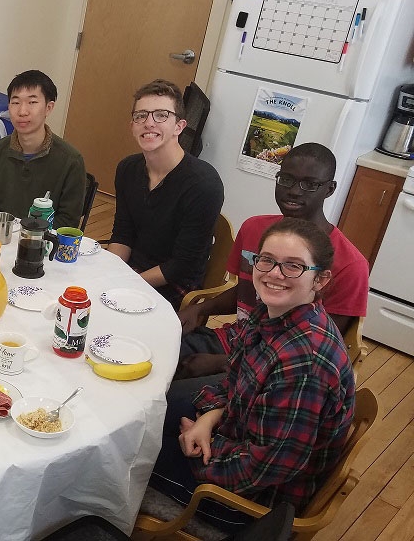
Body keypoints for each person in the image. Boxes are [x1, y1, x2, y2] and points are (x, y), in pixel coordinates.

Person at [150, 218, 355, 532]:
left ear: (320, 280)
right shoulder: (272, 315)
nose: (274, 273)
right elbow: (234, 380)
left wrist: (201, 448)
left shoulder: (305, 365)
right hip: (237, 436)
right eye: (267, 260)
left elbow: (265, 466)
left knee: (126, 452)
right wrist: (207, 420)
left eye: (294, 266)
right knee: (146, 415)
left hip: (250, 504)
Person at [175, 143, 369, 380]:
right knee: (154, 352)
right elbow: (246, 293)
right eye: (285, 179)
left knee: (173, 395)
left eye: (309, 184)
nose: (294, 191)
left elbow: (315, 349)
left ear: (329, 189)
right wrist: (201, 308)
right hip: (237, 338)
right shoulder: (254, 228)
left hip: (281, 369)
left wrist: (223, 363)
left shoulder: (350, 265)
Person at [108, 79, 224, 309]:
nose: (149, 123)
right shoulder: (127, 169)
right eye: (141, 116)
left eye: (161, 115)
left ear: (179, 126)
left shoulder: (204, 184)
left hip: (174, 284)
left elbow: (182, 265)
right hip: (132, 270)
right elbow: (123, 234)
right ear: (132, 125)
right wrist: (109, 275)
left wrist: (127, 285)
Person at [0, 70, 86, 227]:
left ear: (49, 107)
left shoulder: (71, 160)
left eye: (32, 102)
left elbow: (68, 221)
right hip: (0, 240)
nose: (22, 111)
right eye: (15, 102)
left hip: (45, 245)